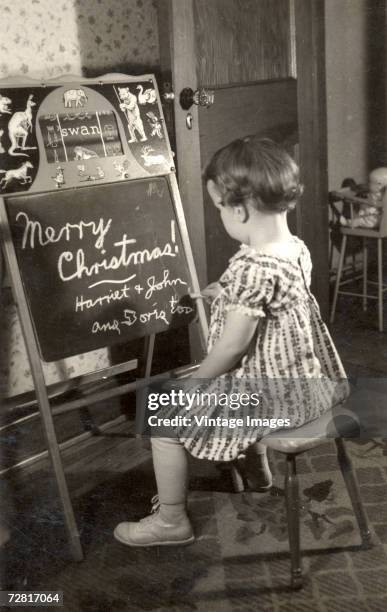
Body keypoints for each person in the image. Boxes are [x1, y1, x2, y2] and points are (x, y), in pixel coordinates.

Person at [114, 137, 349, 547]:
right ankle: (258, 474)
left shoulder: (252, 266)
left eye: (219, 207)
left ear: (238, 209)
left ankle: (171, 521)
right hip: (308, 389)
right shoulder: (295, 249)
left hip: (270, 401)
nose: (221, 214)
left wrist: (196, 383)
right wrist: (226, 291)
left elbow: (232, 348)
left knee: (163, 421)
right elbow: (276, 304)